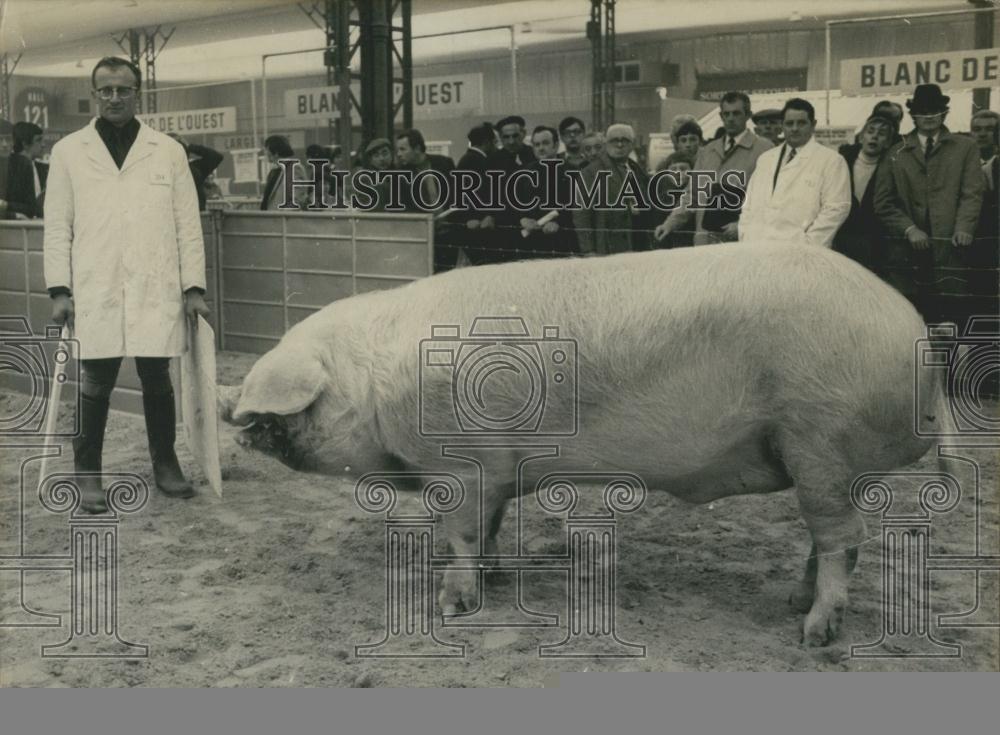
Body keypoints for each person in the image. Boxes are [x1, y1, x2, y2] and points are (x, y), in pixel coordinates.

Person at [43, 56, 210, 514]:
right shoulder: (69, 152)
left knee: (157, 375)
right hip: (95, 283)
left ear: (138, 93)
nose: (114, 97)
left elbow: (188, 225)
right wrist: (59, 290)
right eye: (106, 90)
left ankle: (166, 464)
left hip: (156, 282)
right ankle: (87, 472)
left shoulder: (167, 150)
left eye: (123, 89)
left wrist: (193, 288)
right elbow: (57, 227)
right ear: (94, 94)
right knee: (96, 380)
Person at [874, 84, 985, 326]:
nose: (928, 117)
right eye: (922, 112)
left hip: (951, 249)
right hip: (906, 254)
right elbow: (883, 202)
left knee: (950, 320)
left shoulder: (965, 147)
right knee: (910, 321)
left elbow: (972, 194)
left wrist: (964, 228)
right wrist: (909, 229)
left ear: (944, 114)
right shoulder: (895, 151)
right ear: (913, 115)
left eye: (934, 111)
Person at [655, 91, 772, 245]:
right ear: (721, 116)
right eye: (726, 114)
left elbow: (769, 199)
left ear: (748, 115)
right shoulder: (708, 151)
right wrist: (670, 224)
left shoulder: (764, 150)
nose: (730, 118)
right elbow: (693, 196)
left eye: (736, 113)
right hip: (704, 241)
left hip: (740, 243)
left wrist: (743, 226)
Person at [739, 98, 850, 247]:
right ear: (782, 125)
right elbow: (748, 204)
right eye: (789, 123)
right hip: (757, 246)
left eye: (801, 123)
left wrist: (808, 244)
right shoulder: (766, 159)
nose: (795, 128)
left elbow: (836, 209)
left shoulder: (832, 161)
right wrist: (746, 235)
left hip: (800, 249)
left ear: (813, 125)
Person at [572, 123, 653, 256]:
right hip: (609, 246)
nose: (619, 145)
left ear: (632, 144)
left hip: (638, 241)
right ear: (606, 144)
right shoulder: (591, 172)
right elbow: (581, 215)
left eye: (624, 140)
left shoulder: (637, 169)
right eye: (614, 140)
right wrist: (588, 250)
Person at [832, 113, 897, 273]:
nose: (874, 137)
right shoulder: (842, 160)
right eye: (870, 131)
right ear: (861, 137)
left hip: (874, 242)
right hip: (842, 237)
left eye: (881, 134)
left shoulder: (891, 167)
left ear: (888, 142)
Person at [514, 125, 577, 259]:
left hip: (562, 241)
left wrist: (560, 223)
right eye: (537, 145)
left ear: (556, 145)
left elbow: (578, 207)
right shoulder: (523, 173)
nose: (541, 148)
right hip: (531, 243)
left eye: (545, 143)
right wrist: (522, 219)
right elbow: (514, 203)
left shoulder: (572, 172)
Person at [455, 122, 499, 266]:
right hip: (477, 227)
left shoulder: (468, 159)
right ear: (486, 142)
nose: (496, 147)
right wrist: (471, 217)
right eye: (495, 142)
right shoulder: (476, 161)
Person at [651, 151, 695, 248]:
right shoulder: (660, 199)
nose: (678, 173)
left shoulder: (697, 195)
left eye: (683, 169)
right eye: (673, 169)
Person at [168, 134, 224, 211]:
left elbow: (216, 157)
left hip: (193, 213)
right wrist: (190, 146)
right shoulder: (194, 169)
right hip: (190, 214)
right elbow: (216, 157)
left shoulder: (194, 169)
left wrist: (190, 146)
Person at [5, 121, 48, 219]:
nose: (43, 145)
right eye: (38, 140)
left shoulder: (45, 169)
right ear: (25, 144)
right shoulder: (8, 169)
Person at [260, 135, 308, 210]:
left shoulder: (294, 168)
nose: (265, 152)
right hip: (270, 216)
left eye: (267, 149)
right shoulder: (274, 171)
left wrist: (282, 214)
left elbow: (297, 199)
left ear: (276, 152)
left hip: (282, 216)